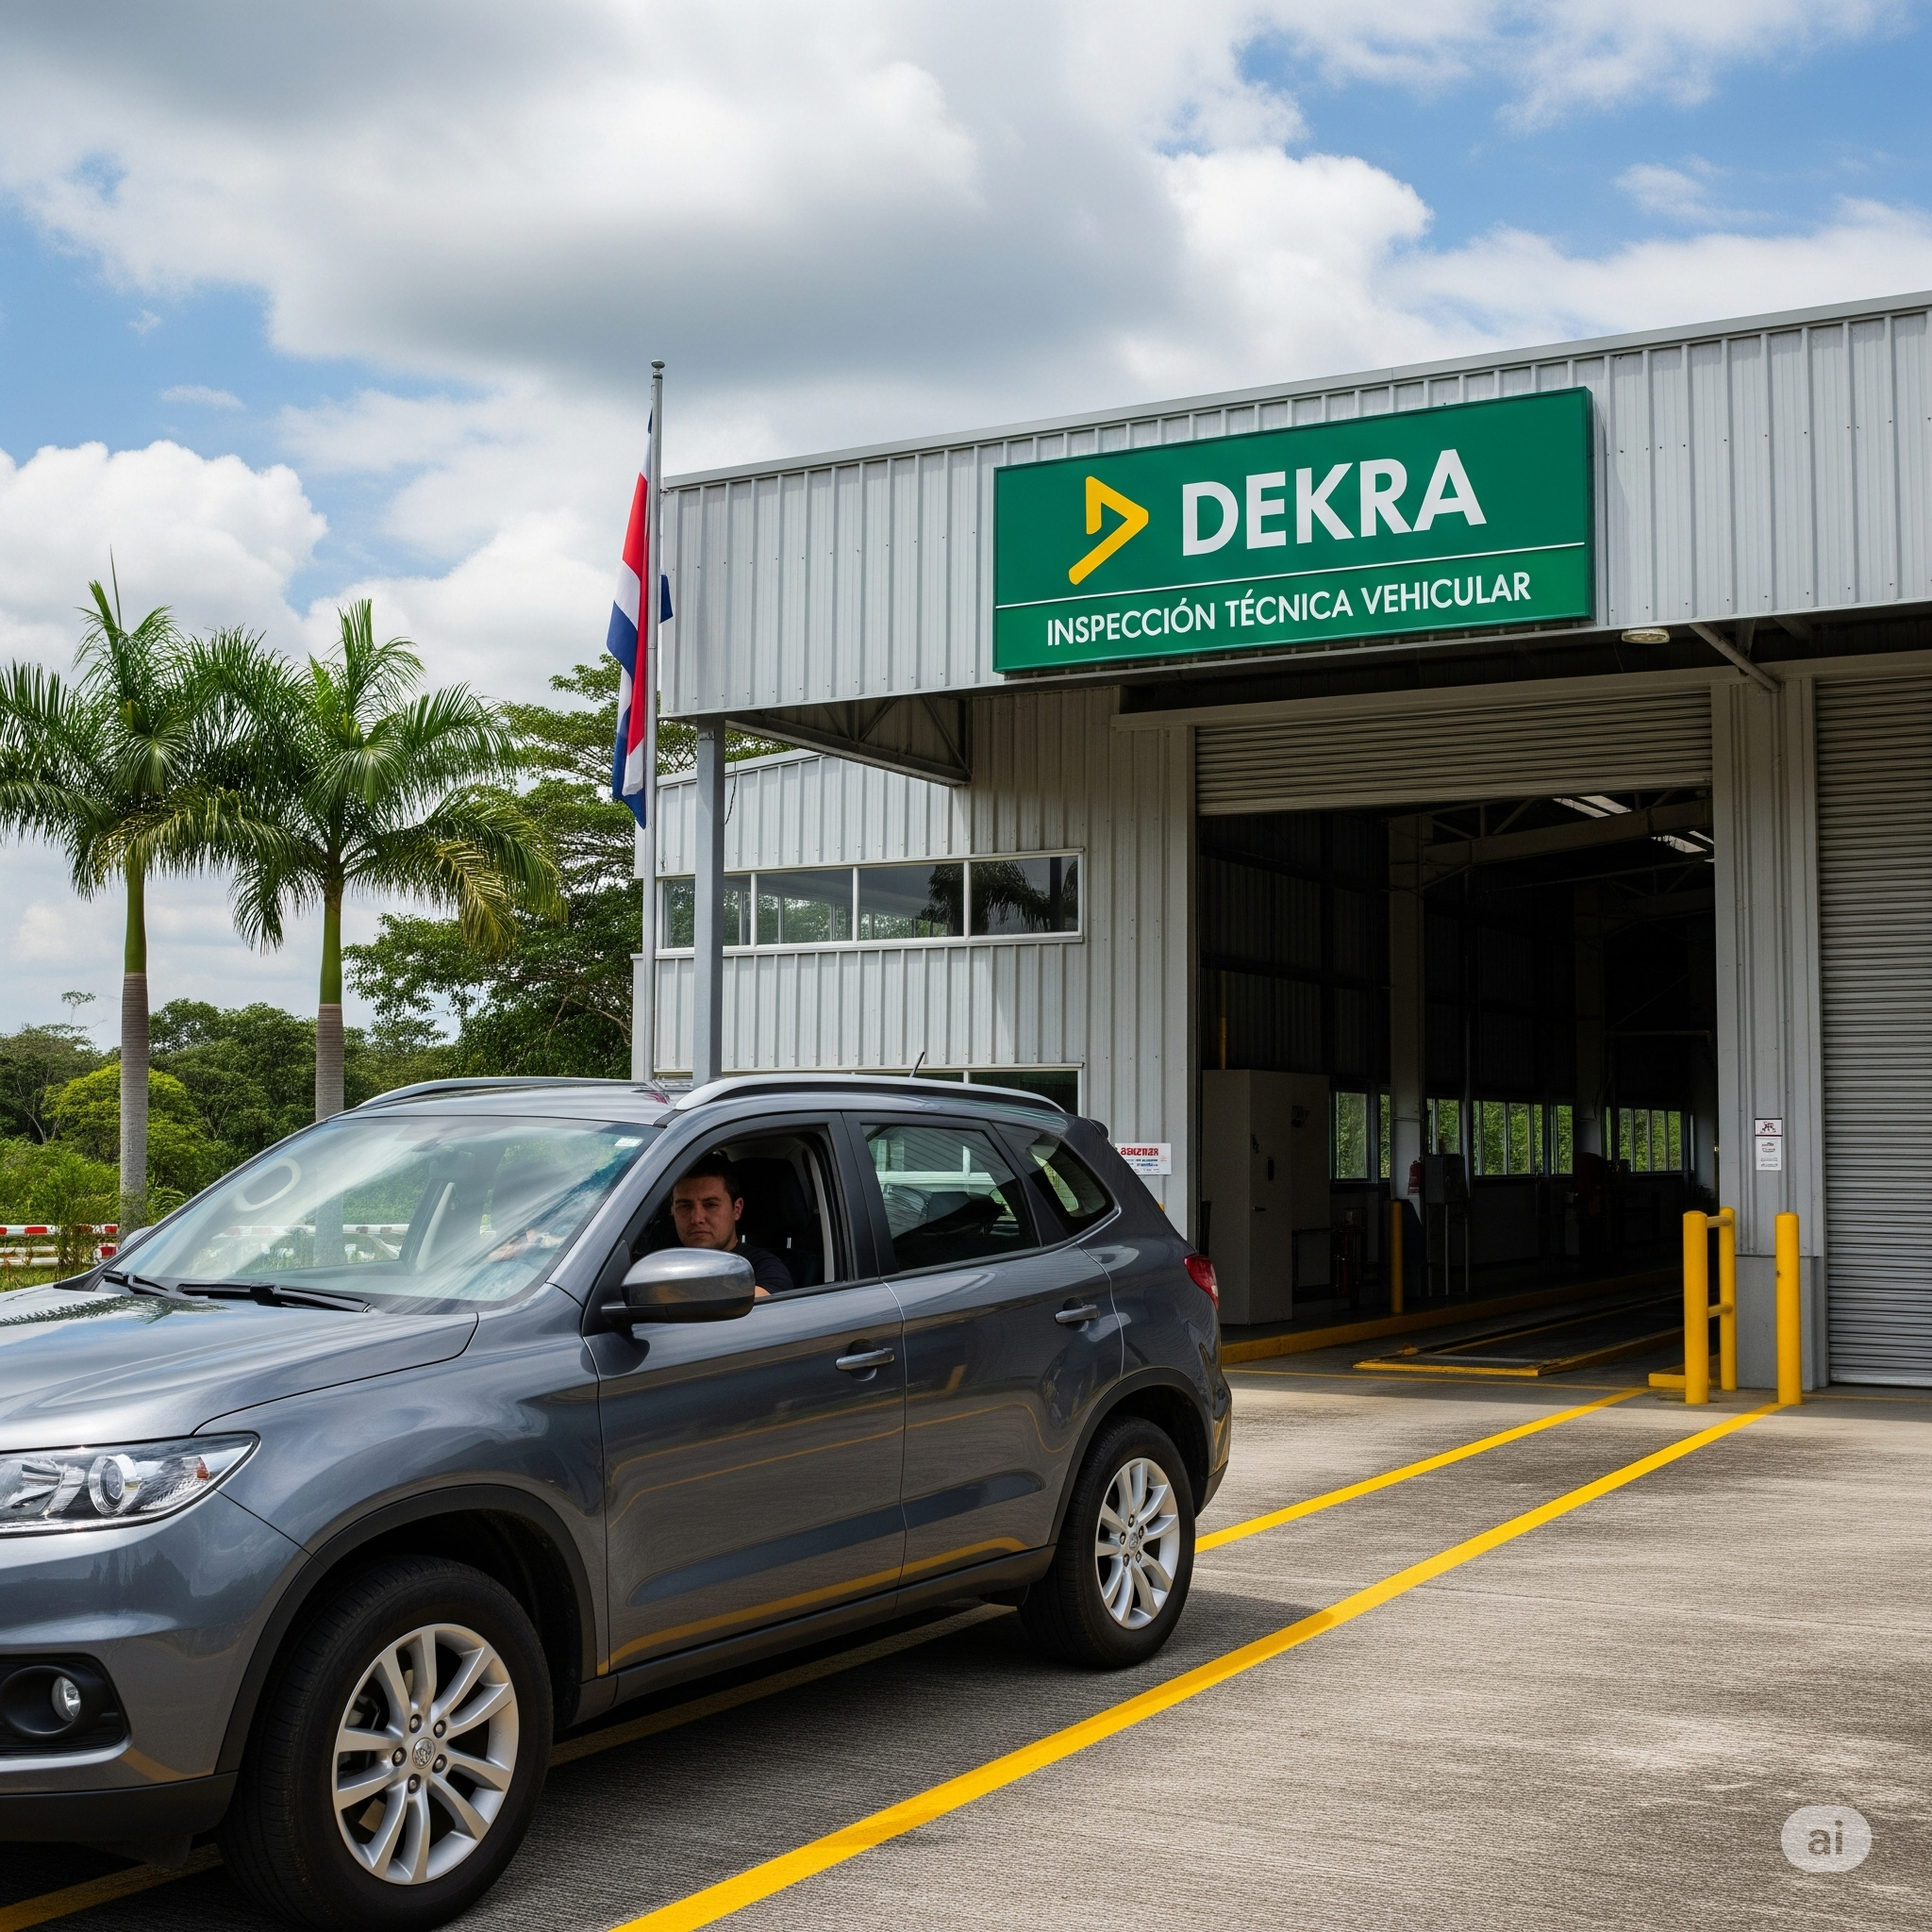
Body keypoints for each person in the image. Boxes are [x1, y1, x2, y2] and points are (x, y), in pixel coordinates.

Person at [671, 1156, 794, 1297]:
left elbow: (760, 1303)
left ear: (737, 1209)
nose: (697, 1219)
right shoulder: (659, 1265)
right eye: (685, 1206)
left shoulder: (764, 1268)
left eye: (710, 1205)